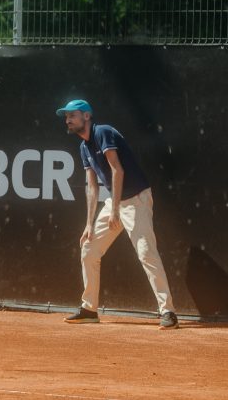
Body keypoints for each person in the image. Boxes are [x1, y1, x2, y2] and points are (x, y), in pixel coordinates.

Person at [56, 99, 179, 329]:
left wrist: (115, 211)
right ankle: (89, 309)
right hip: (116, 201)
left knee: (146, 253)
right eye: (66, 117)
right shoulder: (83, 147)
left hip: (136, 200)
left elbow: (117, 170)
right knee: (89, 248)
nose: (68, 120)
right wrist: (89, 224)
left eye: (72, 115)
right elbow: (92, 187)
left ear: (86, 116)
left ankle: (168, 311)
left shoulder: (103, 132)